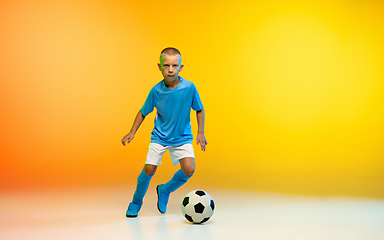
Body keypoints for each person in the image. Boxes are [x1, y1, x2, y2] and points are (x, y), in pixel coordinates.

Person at [121, 47, 207, 218]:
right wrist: (132, 132)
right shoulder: (156, 91)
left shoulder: (189, 87)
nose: (170, 69)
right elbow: (143, 112)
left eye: (174, 65)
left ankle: (165, 189)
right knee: (149, 168)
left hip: (182, 137)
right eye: (166, 65)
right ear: (159, 67)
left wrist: (200, 132)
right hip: (160, 136)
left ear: (181, 67)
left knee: (189, 169)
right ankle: (136, 202)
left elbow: (199, 109)